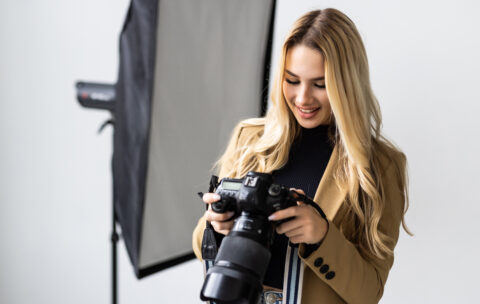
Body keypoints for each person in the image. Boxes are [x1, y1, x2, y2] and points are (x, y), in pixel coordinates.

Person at [193, 8, 411, 304]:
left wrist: (322, 235)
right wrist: (217, 227)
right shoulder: (250, 139)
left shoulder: (381, 167)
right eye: (292, 80)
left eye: (320, 84)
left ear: (346, 84)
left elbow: (369, 293)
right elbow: (199, 245)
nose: (303, 98)